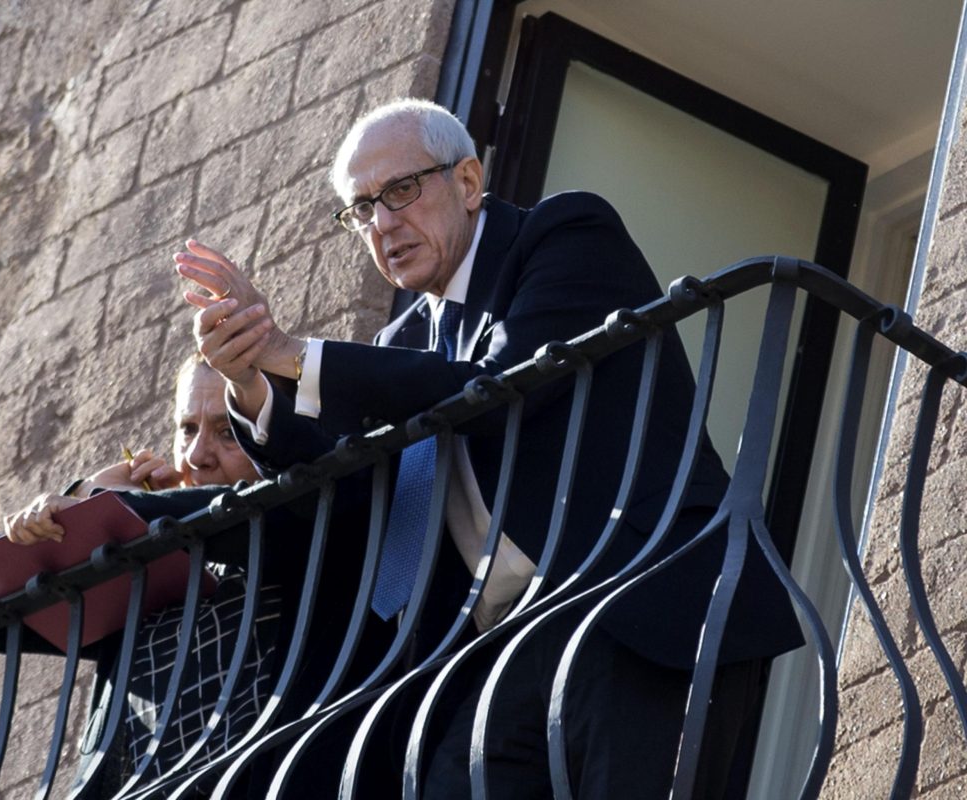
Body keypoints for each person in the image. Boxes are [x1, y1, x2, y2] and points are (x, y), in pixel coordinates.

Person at [176, 98, 802, 797]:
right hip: (498, 652)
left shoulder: (566, 234)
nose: (383, 223)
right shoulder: (401, 342)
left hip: (632, 603)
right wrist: (253, 380)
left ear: (468, 182)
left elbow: (498, 389)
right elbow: (346, 487)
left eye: (401, 190)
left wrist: (294, 353)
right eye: (362, 210)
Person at [0, 356, 382, 797]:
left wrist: (118, 508)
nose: (197, 456)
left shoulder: (307, 515)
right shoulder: (144, 556)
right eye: (187, 429)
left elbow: (254, 511)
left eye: (228, 432)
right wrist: (84, 505)